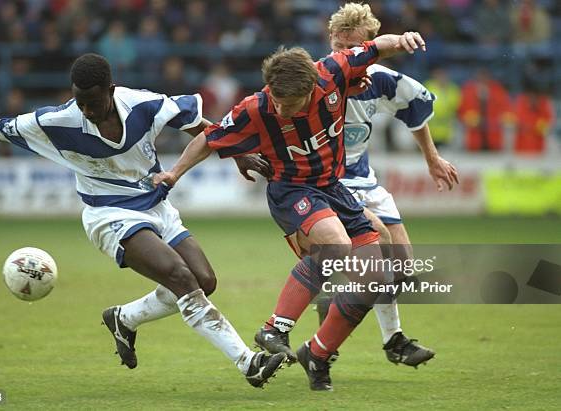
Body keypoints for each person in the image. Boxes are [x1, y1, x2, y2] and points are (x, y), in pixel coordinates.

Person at [0, 53, 286, 388]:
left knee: (204, 280)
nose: (86, 110)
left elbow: (200, 126)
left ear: (111, 89)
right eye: (80, 102)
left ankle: (123, 318)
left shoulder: (143, 104)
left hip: (156, 207)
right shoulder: (57, 120)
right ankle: (248, 362)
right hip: (109, 215)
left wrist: (238, 154)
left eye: (93, 102)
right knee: (180, 277)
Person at [154, 31, 428, 391]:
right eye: (278, 102)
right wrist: (174, 173)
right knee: (335, 245)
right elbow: (208, 137)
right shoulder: (257, 107)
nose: (282, 109)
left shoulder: (333, 71)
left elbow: (379, 46)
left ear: (313, 88)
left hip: (334, 189)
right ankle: (274, 328)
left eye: (292, 104)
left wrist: (404, 38)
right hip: (291, 190)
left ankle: (318, 353)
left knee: (375, 278)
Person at [312, 1, 458, 367]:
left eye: (355, 48)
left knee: (402, 272)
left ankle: (348, 319)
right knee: (374, 258)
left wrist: (432, 159)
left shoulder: (379, 78)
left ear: (368, 44)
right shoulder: (314, 79)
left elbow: (414, 108)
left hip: (365, 181)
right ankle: (372, 341)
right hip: (327, 185)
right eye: (340, 48)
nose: (347, 55)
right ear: (331, 40)